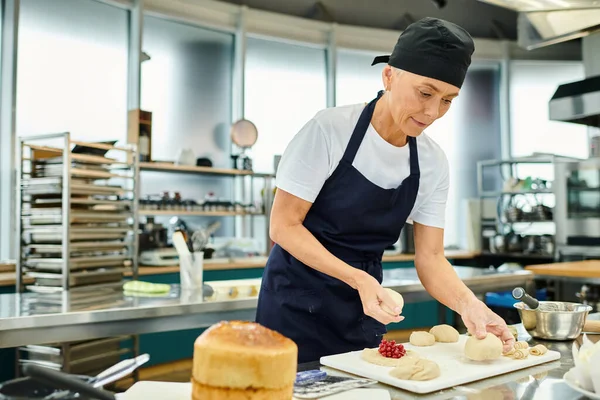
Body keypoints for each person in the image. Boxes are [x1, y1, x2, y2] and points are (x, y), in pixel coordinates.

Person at [255, 17, 515, 364]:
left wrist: (470, 305)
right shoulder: (330, 129)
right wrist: (357, 278)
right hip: (294, 301)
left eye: (447, 100)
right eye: (425, 93)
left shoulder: (432, 162)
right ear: (389, 76)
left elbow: (432, 257)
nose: (432, 112)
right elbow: (284, 226)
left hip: (367, 307)